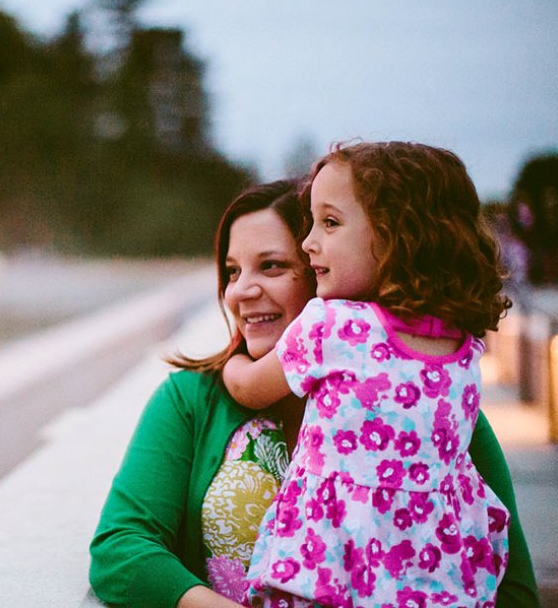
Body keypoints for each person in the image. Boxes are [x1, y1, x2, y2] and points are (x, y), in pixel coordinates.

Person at [88, 178, 540, 607]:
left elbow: (513, 587)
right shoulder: (191, 397)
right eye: (231, 271)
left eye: (272, 266)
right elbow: (121, 547)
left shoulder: (421, 404)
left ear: (324, 271)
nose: (240, 291)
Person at [221, 142, 533, 606]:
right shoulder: (465, 353)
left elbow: (250, 389)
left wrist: (228, 362)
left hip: (329, 571)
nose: (309, 243)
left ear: (397, 236)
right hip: (431, 581)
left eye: (329, 223)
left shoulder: (332, 326)